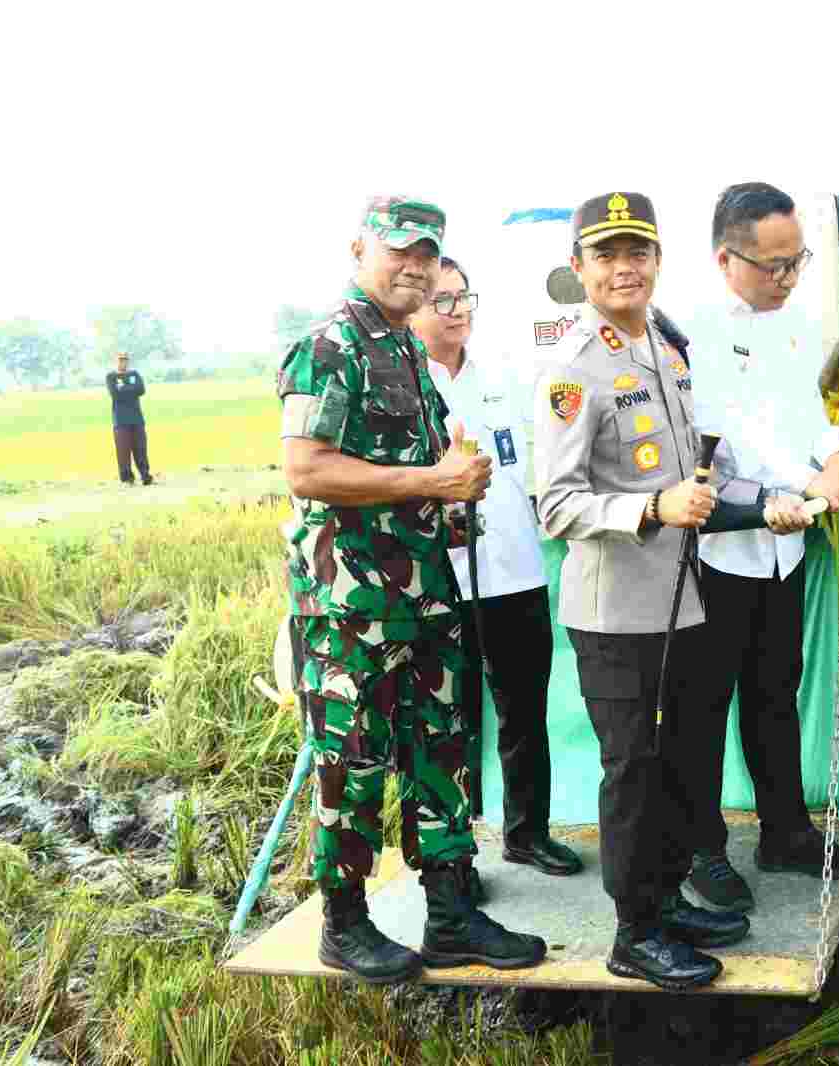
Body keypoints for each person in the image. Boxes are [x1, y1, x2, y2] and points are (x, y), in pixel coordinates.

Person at [278, 195, 546, 984]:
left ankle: (453, 914)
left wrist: (449, 501)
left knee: (441, 758)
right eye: (400, 251)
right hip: (354, 609)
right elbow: (308, 467)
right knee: (352, 765)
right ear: (359, 248)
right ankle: (345, 922)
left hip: (426, 596)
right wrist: (431, 478)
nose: (415, 266)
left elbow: (412, 475)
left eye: (428, 254)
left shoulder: (404, 351)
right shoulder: (330, 346)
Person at [535, 191, 765, 991]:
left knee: (673, 762)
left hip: (682, 596)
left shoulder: (666, 349)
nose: (624, 268)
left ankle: (666, 898)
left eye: (637, 252)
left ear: (659, 260)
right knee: (632, 770)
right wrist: (650, 507)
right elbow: (555, 502)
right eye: (606, 255)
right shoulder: (573, 369)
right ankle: (634, 932)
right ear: (579, 270)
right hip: (614, 611)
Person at [677, 182, 839, 914]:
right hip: (720, 548)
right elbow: (727, 437)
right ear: (726, 259)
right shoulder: (689, 336)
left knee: (775, 694)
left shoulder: (793, 326)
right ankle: (702, 849)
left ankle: (786, 832)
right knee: (703, 707)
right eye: (771, 267)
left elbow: (803, 415)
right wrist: (799, 481)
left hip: (784, 547)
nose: (786, 280)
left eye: (797, 264)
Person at [410, 255, 584, 897]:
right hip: (444, 579)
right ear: (415, 309)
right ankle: (450, 858)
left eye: (464, 298)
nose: (457, 311)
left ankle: (526, 831)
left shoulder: (505, 379)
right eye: (442, 301)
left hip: (515, 568)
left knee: (523, 708)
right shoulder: (407, 386)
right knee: (447, 723)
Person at [105, 351, 152, 485]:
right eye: (120, 360)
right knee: (123, 451)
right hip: (120, 420)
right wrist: (131, 390)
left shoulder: (134, 374)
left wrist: (123, 389)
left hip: (137, 418)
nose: (123, 362)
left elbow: (141, 389)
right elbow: (114, 393)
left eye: (125, 360)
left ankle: (145, 475)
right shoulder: (111, 377)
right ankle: (127, 479)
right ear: (116, 361)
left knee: (141, 448)